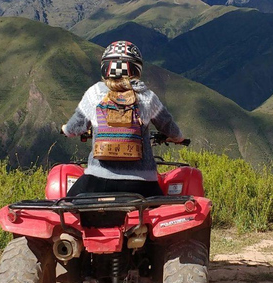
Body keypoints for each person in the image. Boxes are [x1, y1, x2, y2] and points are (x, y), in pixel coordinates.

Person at [61, 40, 184, 197]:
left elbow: (74, 128)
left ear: (105, 67)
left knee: (67, 205)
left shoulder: (94, 93)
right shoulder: (147, 96)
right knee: (161, 210)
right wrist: (179, 138)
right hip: (142, 182)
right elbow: (168, 126)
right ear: (136, 68)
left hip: (99, 179)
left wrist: (65, 129)